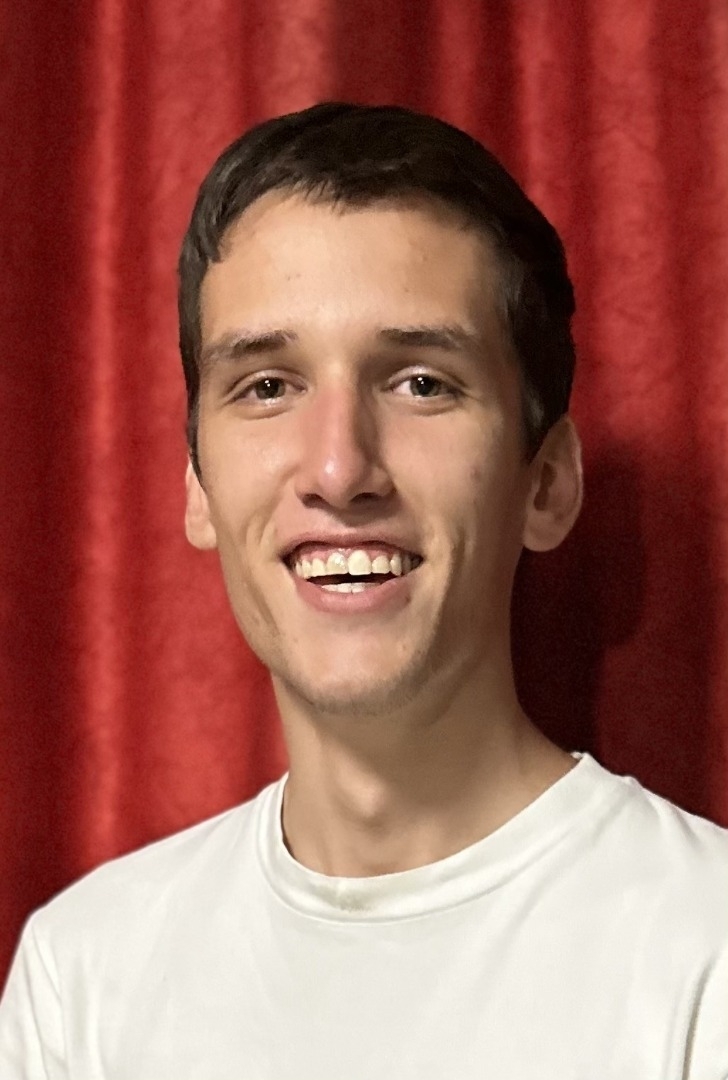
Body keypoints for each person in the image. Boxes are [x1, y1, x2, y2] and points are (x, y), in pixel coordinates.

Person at [0, 101, 726, 1080]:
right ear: (198, 487)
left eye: (421, 382)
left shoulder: (704, 952)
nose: (339, 471)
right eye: (267, 385)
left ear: (546, 485)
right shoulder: (80, 978)